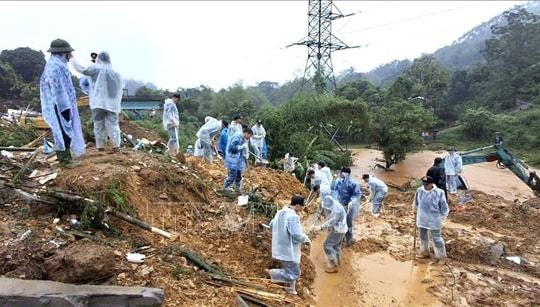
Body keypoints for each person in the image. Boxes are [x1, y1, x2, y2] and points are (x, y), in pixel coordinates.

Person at [40, 38, 86, 167]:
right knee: (62, 130)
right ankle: (64, 160)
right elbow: (58, 89)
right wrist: (64, 106)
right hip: (60, 105)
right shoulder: (54, 67)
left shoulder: (58, 65)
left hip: (64, 103)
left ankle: (66, 157)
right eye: (68, 53)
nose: (69, 56)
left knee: (66, 130)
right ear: (62, 53)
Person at [71, 51, 123, 153]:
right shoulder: (115, 73)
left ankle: (100, 147)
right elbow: (118, 89)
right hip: (112, 104)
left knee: (98, 124)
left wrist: (72, 59)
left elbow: (81, 69)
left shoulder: (95, 68)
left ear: (99, 59)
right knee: (113, 124)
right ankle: (116, 146)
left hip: (98, 102)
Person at [266, 195, 311, 295]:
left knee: (289, 269)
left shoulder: (280, 212)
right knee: (294, 273)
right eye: (302, 207)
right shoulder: (293, 217)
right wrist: (306, 239)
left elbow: (271, 225)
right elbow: (296, 235)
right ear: (298, 205)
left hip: (280, 248)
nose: (302, 209)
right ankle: (273, 273)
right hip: (289, 250)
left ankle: (290, 289)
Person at [413, 176, 449, 265]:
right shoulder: (420, 190)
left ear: (432, 184)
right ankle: (424, 252)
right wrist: (415, 210)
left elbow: (444, 207)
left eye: (427, 184)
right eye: (424, 184)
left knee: (436, 238)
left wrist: (443, 217)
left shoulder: (439, 192)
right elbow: (416, 202)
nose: (425, 186)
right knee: (423, 236)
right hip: (422, 218)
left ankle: (441, 257)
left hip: (434, 219)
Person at [310, 195, 348, 273]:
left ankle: (334, 265)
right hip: (341, 228)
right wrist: (315, 222)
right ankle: (338, 261)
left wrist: (320, 227)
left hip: (339, 230)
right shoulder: (334, 203)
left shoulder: (336, 210)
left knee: (327, 245)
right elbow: (322, 212)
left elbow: (332, 221)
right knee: (336, 246)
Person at [332, 167, 362, 246]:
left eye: (342, 172)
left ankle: (349, 240)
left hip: (349, 206)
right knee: (339, 221)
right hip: (340, 205)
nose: (340, 174)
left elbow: (357, 194)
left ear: (346, 173)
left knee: (348, 222)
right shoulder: (338, 181)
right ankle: (339, 239)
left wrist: (352, 202)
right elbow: (335, 191)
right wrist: (335, 199)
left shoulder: (353, 183)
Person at [223, 127, 252, 192]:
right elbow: (232, 148)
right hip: (232, 159)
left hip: (238, 160)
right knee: (232, 174)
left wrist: (246, 155)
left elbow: (244, 149)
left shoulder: (243, 138)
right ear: (247, 133)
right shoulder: (237, 137)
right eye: (249, 136)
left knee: (239, 174)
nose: (249, 138)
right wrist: (241, 147)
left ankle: (238, 188)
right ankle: (226, 187)